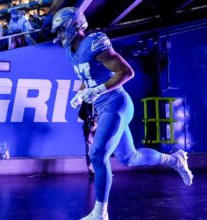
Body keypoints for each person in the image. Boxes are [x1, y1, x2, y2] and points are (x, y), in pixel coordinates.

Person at [51, 7, 193, 220]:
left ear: (74, 25)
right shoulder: (71, 52)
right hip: (105, 108)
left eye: (62, 29)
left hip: (117, 103)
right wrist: (80, 94)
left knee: (98, 155)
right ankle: (174, 160)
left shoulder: (94, 42)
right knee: (130, 157)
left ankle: (100, 214)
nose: (60, 35)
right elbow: (89, 75)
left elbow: (126, 72)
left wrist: (97, 90)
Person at [78, 102, 97, 179]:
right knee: (91, 148)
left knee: (93, 148)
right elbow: (81, 114)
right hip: (90, 127)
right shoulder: (87, 98)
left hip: (99, 126)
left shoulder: (88, 98)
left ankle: (94, 171)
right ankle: (93, 171)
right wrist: (89, 120)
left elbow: (81, 114)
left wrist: (95, 121)